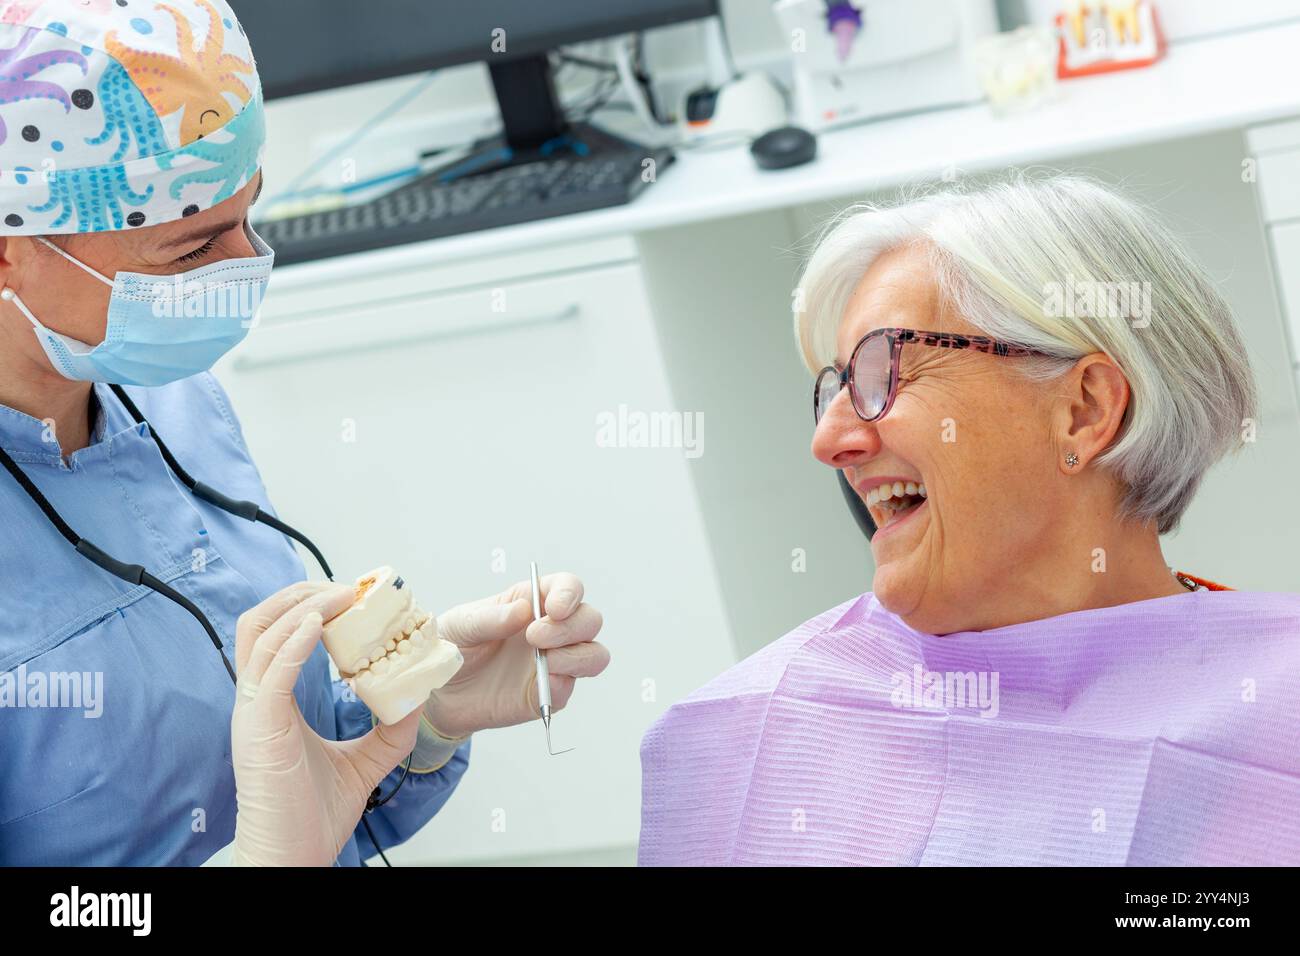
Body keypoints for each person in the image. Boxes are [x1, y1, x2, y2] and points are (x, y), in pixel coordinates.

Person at [0, 0, 607, 866]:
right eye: (190, 249)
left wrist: (420, 715)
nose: (246, 264)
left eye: (250, 213)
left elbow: (297, 800)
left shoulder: (172, 400)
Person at [639, 175, 1300, 866]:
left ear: (1084, 410)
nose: (830, 441)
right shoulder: (751, 728)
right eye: (835, 389)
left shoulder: (1278, 715)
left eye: (883, 374)